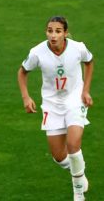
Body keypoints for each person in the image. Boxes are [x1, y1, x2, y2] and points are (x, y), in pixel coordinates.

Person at [17, 16, 93, 201]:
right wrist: (26, 97)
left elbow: (89, 62)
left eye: (58, 31)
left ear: (65, 33)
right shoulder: (37, 52)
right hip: (52, 104)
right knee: (59, 156)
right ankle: (79, 172)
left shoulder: (78, 48)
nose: (53, 35)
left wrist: (85, 91)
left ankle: (77, 192)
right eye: (50, 30)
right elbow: (22, 72)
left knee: (74, 145)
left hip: (74, 100)